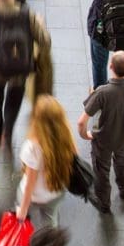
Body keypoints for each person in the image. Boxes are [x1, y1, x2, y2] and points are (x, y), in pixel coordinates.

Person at [78, 50, 124, 211]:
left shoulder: (102, 92)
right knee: (122, 160)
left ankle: (103, 202)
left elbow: (82, 122)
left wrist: (86, 135)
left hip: (103, 139)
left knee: (101, 169)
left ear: (110, 66)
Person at [16, 95, 74, 228]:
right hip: (55, 192)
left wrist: (23, 210)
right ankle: (49, 241)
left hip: (35, 196)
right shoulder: (66, 139)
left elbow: (30, 183)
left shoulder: (32, 147)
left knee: (24, 220)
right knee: (50, 219)